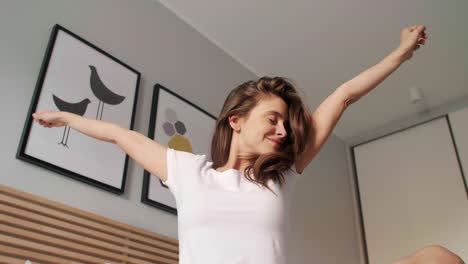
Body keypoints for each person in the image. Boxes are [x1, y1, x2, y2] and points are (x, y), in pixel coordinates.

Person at [32, 25, 464, 264]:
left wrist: (400, 54)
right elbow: (119, 134)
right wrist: (66, 116)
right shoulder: (188, 172)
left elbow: (344, 96)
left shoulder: (283, 176)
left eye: (286, 125)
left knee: (437, 258)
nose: (283, 132)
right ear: (235, 121)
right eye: (273, 120)